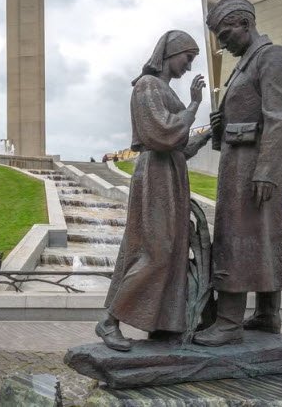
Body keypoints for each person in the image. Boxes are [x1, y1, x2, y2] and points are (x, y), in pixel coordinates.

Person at [96, 30, 211, 351]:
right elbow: (163, 135)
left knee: (172, 251)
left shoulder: (163, 90)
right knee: (155, 252)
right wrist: (194, 106)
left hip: (172, 174)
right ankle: (109, 320)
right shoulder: (147, 86)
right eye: (187, 59)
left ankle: (162, 324)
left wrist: (207, 133)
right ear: (170, 53)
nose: (188, 67)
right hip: (156, 175)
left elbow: (181, 147)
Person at [193, 0, 282, 347]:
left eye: (225, 34)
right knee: (260, 237)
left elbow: (279, 117)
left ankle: (229, 322)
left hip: (254, 166)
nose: (222, 44)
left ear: (245, 24)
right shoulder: (245, 64)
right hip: (240, 162)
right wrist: (220, 126)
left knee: (238, 238)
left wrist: (267, 170)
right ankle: (267, 315)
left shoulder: (271, 56)